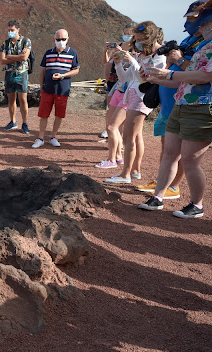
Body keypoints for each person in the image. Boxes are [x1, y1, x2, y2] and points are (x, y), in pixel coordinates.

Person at [138, 5, 212, 218]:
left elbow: (205, 77)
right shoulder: (203, 46)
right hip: (182, 105)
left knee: (190, 160)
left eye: (206, 23)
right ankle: (157, 198)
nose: (203, 27)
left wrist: (169, 75)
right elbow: (184, 82)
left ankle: (197, 205)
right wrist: (154, 78)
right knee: (170, 154)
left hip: (202, 109)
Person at [105, 22, 166, 183]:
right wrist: (118, 63)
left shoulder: (159, 56)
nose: (137, 43)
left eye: (140, 40)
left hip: (141, 98)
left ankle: (125, 174)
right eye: (136, 39)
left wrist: (131, 59)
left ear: (150, 38)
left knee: (128, 137)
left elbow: (144, 78)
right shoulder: (141, 55)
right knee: (135, 135)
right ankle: (134, 171)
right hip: (131, 95)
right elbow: (125, 78)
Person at [96, 24, 135, 169]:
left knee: (115, 126)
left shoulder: (135, 50)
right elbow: (108, 63)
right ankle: (117, 155)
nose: (126, 35)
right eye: (124, 33)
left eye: (129, 33)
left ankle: (114, 158)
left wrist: (127, 56)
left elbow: (134, 68)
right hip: (116, 86)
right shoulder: (119, 47)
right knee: (112, 123)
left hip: (127, 89)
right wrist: (107, 51)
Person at [32, 29, 80, 148]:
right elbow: (42, 71)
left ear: (68, 39)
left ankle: (53, 136)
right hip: (47, 89)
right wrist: (41, 87)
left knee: (59, 114)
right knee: (43, 114)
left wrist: (63, 75)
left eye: (63, 39)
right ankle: (40, 138)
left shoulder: (73, 53)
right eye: (58, 39)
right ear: (54, 39)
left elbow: (76, 70)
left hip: (62, 90)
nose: (61, 41)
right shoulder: (48, 53)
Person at [0, 20, 32, 134]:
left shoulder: (26, 41)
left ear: (18, 29)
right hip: (9, 72)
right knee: (11, 98)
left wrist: (9, 56)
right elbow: (2, 60)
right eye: (9, 30)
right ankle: (13, 121)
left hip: (21, 73)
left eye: (12, 30)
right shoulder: (5, 43)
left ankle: (25, 123)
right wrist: (18, 56)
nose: (10, 32)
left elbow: (24, 58)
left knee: (23, 99)